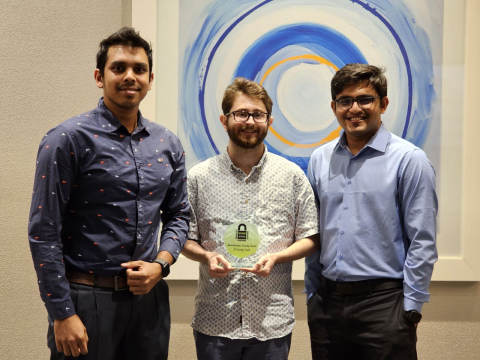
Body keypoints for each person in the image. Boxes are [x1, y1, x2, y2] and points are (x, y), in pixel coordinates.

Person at [28, 27, 190, 360]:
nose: (130, 76)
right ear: (99, 77)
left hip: (149, 301)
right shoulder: (66, 139)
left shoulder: (167, 143)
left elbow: (179, 214)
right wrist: (62, 312)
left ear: (150, 78)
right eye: (119, 68)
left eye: (139, 69)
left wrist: (161, 264)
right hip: (85, 300)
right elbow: (44, 233)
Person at [305, 63, 438, 359]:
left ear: (383, 103)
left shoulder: (410, 160)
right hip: (327, 305)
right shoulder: (319, 159)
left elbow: (423, 241)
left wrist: (411, 309)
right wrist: (312, 294)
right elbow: (315, 230)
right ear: (334, 106)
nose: (355, 108)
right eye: (345, 101)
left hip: (385, 306)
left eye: (365, 99)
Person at [182, 77, 319, 360]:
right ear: (224, 119)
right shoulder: (198, 178)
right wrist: (206, 257)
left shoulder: (292, 177)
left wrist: (277, 258)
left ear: (269, 121)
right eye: (242, 113)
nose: (250, 121)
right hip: (215, 320)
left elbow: (310, 237)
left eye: (258, 114)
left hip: (272, 322)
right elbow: (183, 238)